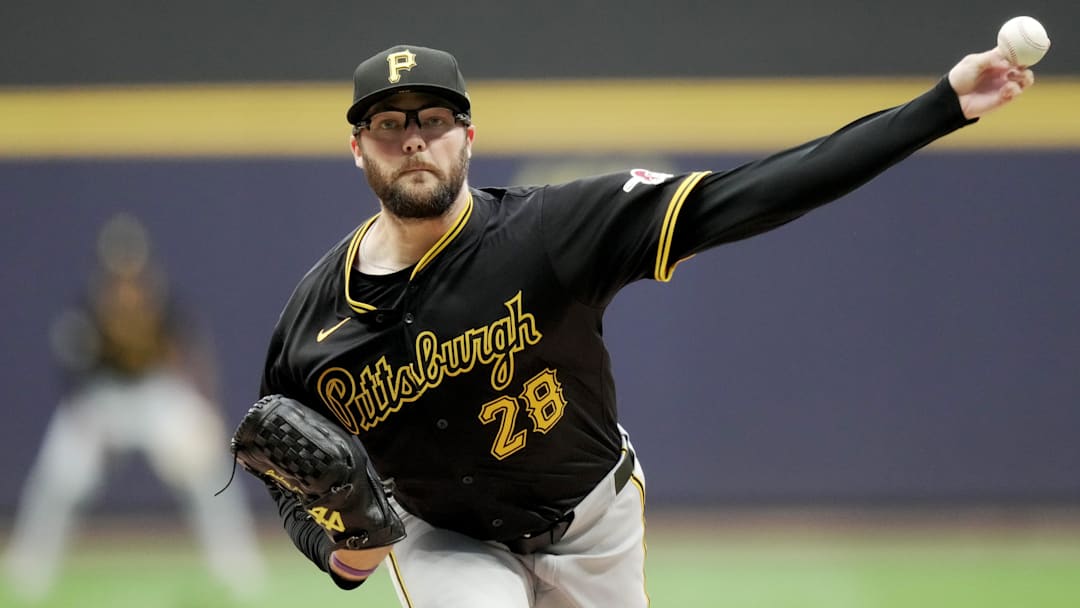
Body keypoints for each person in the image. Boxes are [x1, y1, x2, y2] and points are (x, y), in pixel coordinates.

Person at [254, 44, 1035, 607]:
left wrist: (942, 107)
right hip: (445, 536)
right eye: (388, 124)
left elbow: (755, 192)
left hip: (592, 521)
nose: (413, 137)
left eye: (433, 117)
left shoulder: (552, 230)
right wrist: (343, 552)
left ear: (469, 136)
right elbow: (280, 462)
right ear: (358, 150)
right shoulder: (312, 323)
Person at [3, 213, 266, 602]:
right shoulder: (88, 311)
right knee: (60, 475)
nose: (127, 279)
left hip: (156, 394)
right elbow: (76, 376)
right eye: (118, 269)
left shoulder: (162, 304)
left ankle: (237, 568)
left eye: (133, 268)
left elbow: (191, 356)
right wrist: (87, 424)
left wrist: (203, 409)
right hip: (102, 400)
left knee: (207, 467)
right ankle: (29, 569)